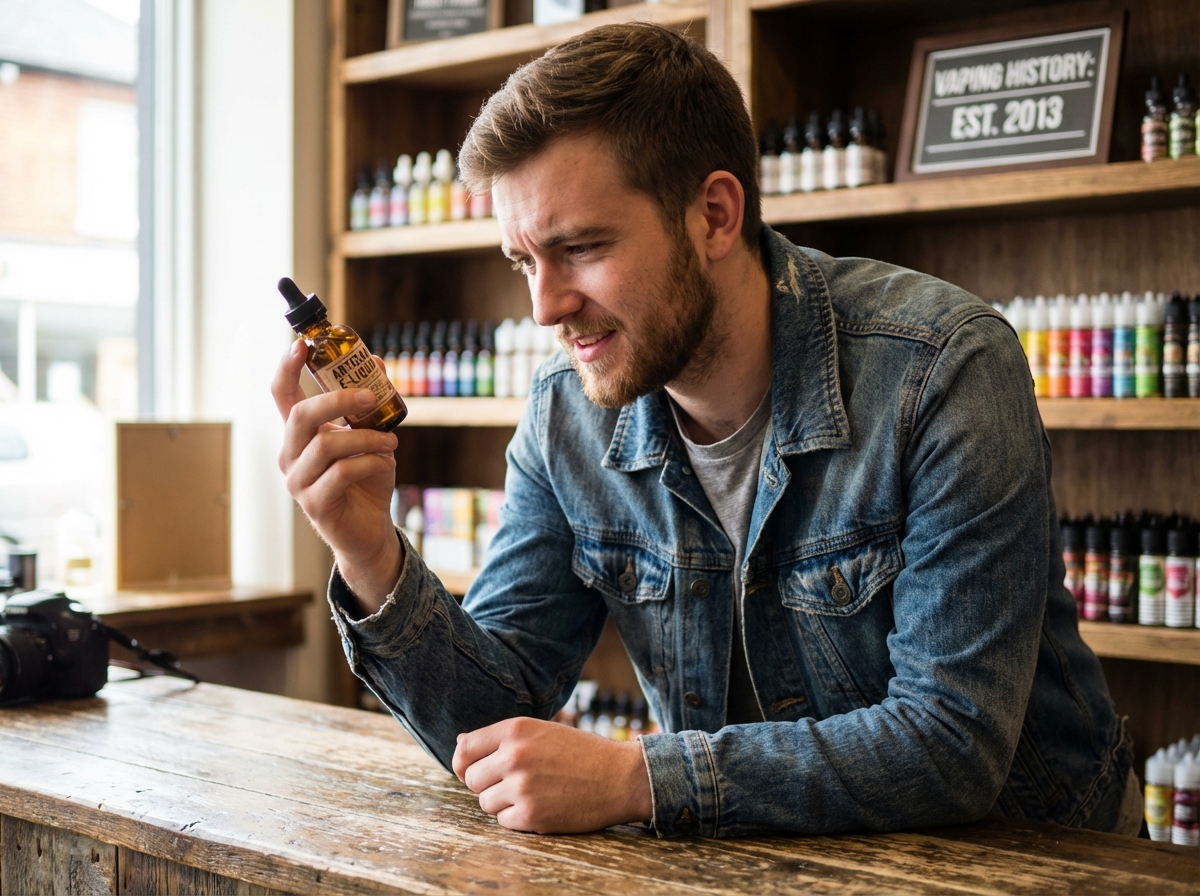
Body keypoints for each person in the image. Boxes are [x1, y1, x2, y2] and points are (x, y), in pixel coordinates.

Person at [273, 23, 1139, 838]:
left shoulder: (941, 366)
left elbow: (952, 743)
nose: (544, 306)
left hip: (1031, 861)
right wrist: (371, 559)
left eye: (579, 248)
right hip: (758, 857)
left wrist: (637, 778)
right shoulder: (564, 413)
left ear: (716, 215)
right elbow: (494, 720)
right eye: (524, 261)